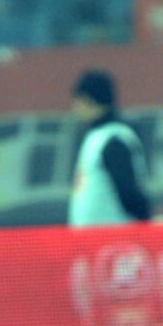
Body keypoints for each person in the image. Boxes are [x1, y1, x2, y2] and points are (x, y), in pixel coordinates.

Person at [68, 69, 152, 228]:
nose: (74, 108)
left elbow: (129, 193)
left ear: (88, 100)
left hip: (115, 238)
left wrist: (146, 229)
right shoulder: (97, 137)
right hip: (97, 238)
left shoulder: (113, 139)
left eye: (77, 101)